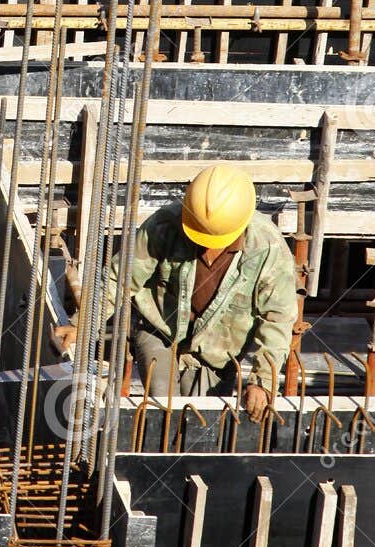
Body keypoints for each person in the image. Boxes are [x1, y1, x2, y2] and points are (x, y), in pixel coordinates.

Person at [56, 165, 296, 423]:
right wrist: (81, 324)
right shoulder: (165, 225)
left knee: (203, 422)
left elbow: (277, 318)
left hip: (220, 349)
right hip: (160, 329)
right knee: (163, 412)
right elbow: (119, 278)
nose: (205, 246)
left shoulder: (268, 248)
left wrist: (263, 381)